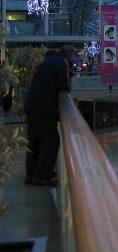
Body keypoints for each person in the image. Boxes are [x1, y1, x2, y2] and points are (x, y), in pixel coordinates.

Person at [24, 46, 75, 186]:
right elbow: (63, 87)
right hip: (45, 109)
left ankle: (31, 174)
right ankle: (42, 176)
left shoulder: (46, 62)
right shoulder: (61, 63)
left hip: (32, 107)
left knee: (34, 142)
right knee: (51, 142)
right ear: (68, 56)